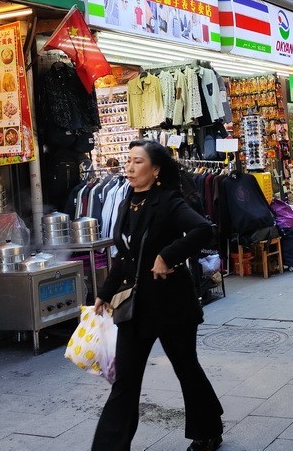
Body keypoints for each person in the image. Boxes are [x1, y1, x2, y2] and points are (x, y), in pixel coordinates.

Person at [92, 140, 224, 451]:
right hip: (134, 307)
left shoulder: (169, 201)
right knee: (125, 379)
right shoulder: (127, 202)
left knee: (186, 368)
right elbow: (126, 256)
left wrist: (167, 255)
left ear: (155, 170)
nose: (129, 167)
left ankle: (208, 430)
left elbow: (203, 230)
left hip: (171, 306)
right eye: (128, 161)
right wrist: (105, 292)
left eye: (138, 161)